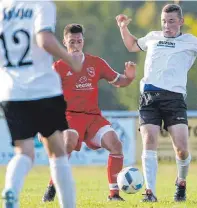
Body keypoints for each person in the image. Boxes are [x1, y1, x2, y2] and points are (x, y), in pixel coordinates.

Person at [116, 3, 197, 203]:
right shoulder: (152, 37)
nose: (167, 26)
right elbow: (132, 45)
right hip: (149, 96)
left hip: (174, 99)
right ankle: (150, 192)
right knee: (149, 141)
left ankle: (181, 182)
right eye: (164, 22)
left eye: (172, 21)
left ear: (181, 22)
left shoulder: (190, 41)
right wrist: (123, 28)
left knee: (182, 149)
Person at [40, 23, 137, 202]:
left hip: (93, 118)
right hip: (69, 116)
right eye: (71, 42)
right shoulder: (58, 67)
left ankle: (114, 194)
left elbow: (119, 81)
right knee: (68, 142)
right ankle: (52, 186)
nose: (76, 45)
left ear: (83, 41)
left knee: (116, 144)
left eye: (79, 41)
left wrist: (129, 78)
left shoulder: (96, 63)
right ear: (64, 42)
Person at [0, 0, 82, 207]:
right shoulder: (41, 5)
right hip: (43, 88)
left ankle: (11, 188)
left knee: (24, 152)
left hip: (12, 90)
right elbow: (44, 40)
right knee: (57, 151)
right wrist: (70, 60)